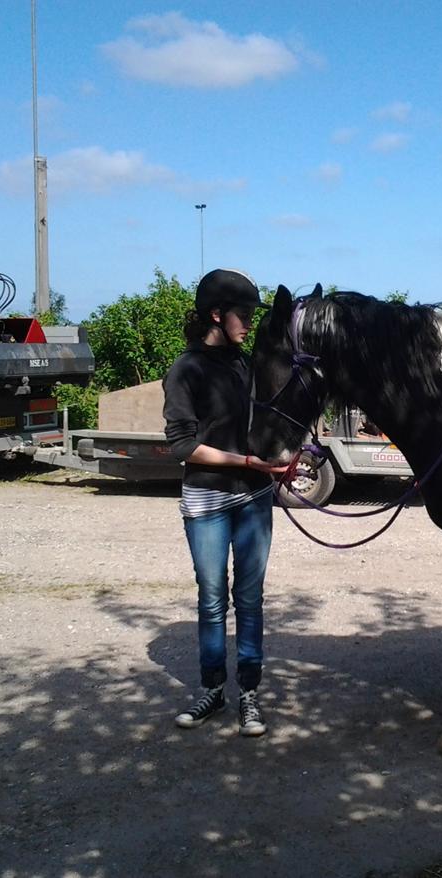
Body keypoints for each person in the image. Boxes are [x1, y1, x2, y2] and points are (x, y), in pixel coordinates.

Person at [163, 268, 286, 736]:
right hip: (208, 501)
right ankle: (213, 690)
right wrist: (247, 461)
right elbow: (181, 446)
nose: (249, 323)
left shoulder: (244, 364)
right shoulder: (185, 370)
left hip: (254, 498)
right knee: (213, 600)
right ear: (217, 314)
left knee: (250, 599)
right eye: (244, 314)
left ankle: (249, 695)